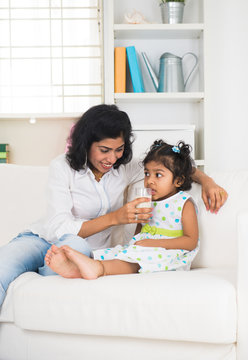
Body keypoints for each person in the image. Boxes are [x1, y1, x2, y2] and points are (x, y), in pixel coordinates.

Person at [0, 104, 227, 306]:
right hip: (40, 238)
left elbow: (171, 164)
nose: (112, 158)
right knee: (4, 268)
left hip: (80, 248)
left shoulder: (124, 167)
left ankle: (44, 270)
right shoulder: (62, 167)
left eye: (119, 149)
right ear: (86, 144)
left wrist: (207, 181)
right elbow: (59, 227)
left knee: (72, 254)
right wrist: (116, 218)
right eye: (104, 150)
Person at [44, 139, 199, 278]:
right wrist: (135, 244)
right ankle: (76, 268)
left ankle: (98, 269)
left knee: (136, 260)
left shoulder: (183, 203)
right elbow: (140, 233)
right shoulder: (147, 201)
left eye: (158, 175)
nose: (149, 181)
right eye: (146, 173)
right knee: (111, 253)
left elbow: (190, 242)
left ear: (178, 180)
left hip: (170, 254)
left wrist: (151, 244)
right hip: (143, 248)